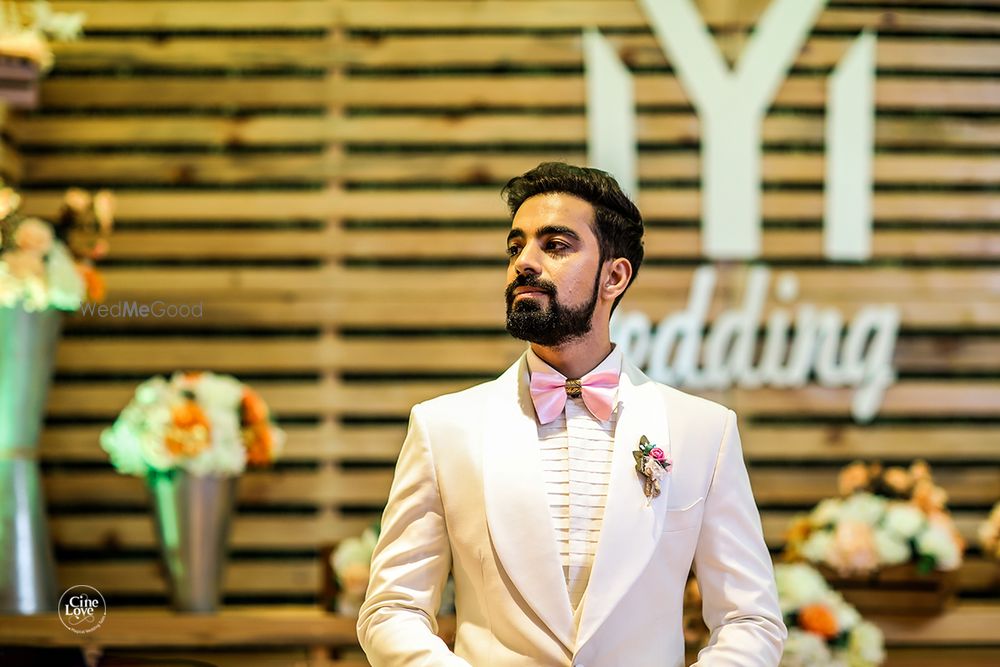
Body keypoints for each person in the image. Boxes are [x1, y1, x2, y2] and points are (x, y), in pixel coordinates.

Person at [357, 162, 786, 666]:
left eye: (555, 245)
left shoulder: (704, 431)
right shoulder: (443, 428)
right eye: (516, 247)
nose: (525, 263)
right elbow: (392, 608)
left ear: (614, 276)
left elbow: (749, 619)